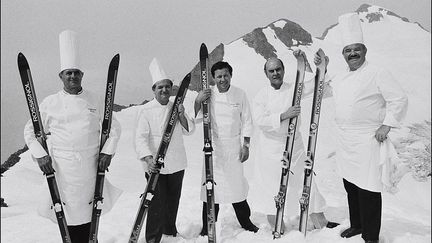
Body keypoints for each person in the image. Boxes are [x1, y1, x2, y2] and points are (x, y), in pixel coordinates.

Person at [314, 13, 408, 243]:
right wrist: (322, 69)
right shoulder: (340, 77)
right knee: (351, 186)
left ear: (364, 50)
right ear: (343, 54)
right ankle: (357, 225)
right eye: (348, 50)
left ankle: (371, 236)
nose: (352, 54)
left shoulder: (377, 72)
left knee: (369, 189)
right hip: (345, 140)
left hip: (368, 139)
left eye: (356, 49)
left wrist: (387, 125)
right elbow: (319, 91)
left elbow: (399, 99)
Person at [23, 30, 122, 243]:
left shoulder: (94, 99)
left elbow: (114, 127)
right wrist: (40, 155)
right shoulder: (50, 103)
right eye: (68, 73)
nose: (73, 77)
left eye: (76, 72)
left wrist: (108, 151)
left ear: (82, 75)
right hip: (63, 169)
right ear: (61, 76)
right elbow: (30, 131)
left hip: (90, 167)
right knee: (66, 216)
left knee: (90, 215)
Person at [252, 53, 338, 230]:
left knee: (305, 181)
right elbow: (260, 121)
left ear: (283, 70)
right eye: (271, 70)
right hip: (271, 149)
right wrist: (284, 115)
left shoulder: (294, 88)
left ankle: (319, 220)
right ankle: (277, 224)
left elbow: (315, 86)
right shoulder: (261, 96)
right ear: (266, 73)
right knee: (272, 186)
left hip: (295, 145)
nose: (275, 73)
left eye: (278, 69)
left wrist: (323, 68)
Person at [194, 61, 259, 235]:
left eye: (226, 75)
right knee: (210, 188)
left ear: (231, 75)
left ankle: (246, 222)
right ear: (213, 78)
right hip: (213, 148)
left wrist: (246, 145)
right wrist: (198, 100)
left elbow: (247, 120)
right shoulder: (209, 94)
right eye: (219, 76)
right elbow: (198, 117)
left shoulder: (240, 94)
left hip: (232, 147)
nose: (223, 79)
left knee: (236, 187)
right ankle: (207, 227)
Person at [134, 58, 195, 243]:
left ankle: (170, 232)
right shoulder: (145, 110)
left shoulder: (176, 107)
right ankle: (153, 238)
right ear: (154, 89)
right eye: (160, 87)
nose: (164, 90)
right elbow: (140, 138)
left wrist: (182, 114)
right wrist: (148, 158)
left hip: (176, 162)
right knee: (155, 203)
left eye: (167, 87)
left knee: (172, 201)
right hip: (155, 165)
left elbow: (189, 130)